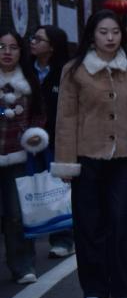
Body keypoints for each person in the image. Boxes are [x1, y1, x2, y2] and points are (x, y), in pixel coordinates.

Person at [51, 11, 127, 298]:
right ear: (92, 35)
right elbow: (66, 117)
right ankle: (95, 289)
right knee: (89, 224)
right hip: (86, 156)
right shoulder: (74, 70)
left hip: (125, 155)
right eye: (103, 32)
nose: (110, 37)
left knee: (121, 221)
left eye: (115, 32)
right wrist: (65, 161)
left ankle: (125, 291)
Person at [0, 29, 48, 284]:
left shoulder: (29, 81)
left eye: (13, 47)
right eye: (2, 47)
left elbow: (39, 114)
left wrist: (34, 135)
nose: (7, 52)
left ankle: (23, 264)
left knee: (16, 214)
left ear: (21, 51)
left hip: (18, 156)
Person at [29, 25, 74, 258]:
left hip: (56, 140)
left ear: (52, 46)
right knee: (30, 188)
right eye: (33, 38)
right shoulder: (25, 70)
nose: (33, 42)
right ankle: (28, 242)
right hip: (26, 141)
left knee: (58, 190)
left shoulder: (65, 72)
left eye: (39, 39)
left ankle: (63, 239)